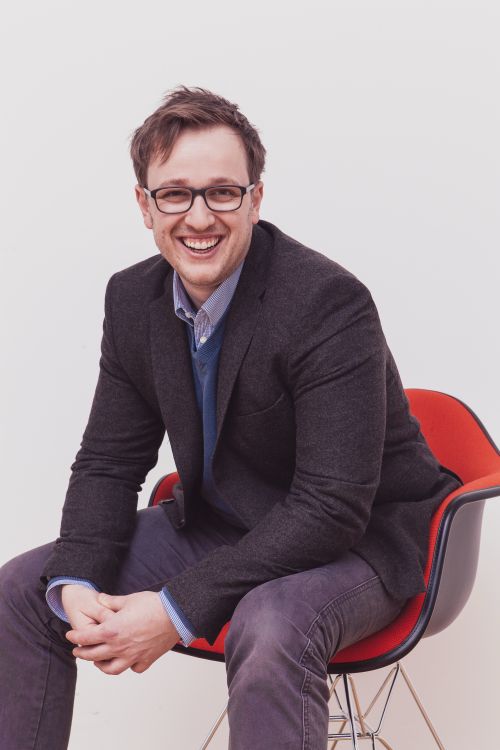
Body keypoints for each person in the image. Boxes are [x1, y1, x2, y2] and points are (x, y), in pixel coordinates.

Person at [0, 86, 461, 750]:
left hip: (362, 541)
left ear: (255, 199)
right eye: (174, 194)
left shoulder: (327, 303)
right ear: (144, 205)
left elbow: (332, 508)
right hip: (228, 524)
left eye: (222, 192)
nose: (199, 217)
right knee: (26, 589)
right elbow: (109, 463)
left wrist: (175, 608)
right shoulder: (133, 299)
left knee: (269, 624)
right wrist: (77, 580)